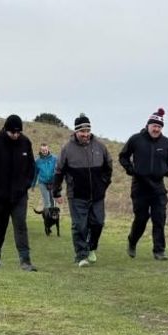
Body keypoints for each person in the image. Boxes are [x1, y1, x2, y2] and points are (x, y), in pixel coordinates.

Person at [54, 114, 113, 267]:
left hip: (97, 195)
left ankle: (91, 247)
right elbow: (59, 171)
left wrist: (103, 184)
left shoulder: (100, 147)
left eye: (87, 131)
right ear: (76, 132)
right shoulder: (67, 149)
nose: (85, 134)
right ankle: (81, 256)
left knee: (98, 223)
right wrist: (57, 191)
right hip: (77, 195)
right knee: (80, 225)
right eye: (82, 131)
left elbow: (108, 167)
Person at [119, 108, 168, 260]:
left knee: (159, 218)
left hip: (158, 186)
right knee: (142, 218)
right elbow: (123, 156)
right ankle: (132, 241)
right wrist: (131, 170)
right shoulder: (136, 139)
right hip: (140, 186)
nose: (156, 129)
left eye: (159, 127)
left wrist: (166, 171)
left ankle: (159, 251)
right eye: (154, 126)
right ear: (148, 125)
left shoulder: (166, 142)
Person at [0, 115, 37, 271]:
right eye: (12, 132)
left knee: (20, 225)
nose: (15, 135)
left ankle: (25, 260)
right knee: (1, 226)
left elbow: (31, 167)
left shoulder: (25, 143)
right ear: (6, 129)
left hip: (19, 195)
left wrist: (26, 185)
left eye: (18, 132)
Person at [33, 143, 58, 234]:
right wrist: (32, 185)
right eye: (43, 150)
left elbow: (59, 169)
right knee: (47, 202)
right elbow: (35, 173)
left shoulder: (55, 158)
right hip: (42, 183)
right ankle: (47, 223)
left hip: (52, 182)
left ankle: (51, 221)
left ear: (48, 149)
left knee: (52, 202)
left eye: (46, 150)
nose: (44, 151)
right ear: (40, 150)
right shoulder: (38, 161)